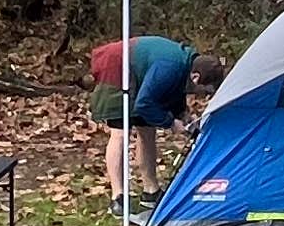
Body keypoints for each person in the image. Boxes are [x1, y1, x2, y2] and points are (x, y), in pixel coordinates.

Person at [87, 33, 215, 205]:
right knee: (120, 133)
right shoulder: (170, 66)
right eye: (204, 90)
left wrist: (182, 115)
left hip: (141, 76)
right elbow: (144, 103)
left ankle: (150, 191)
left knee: (147, 131)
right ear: (196, 77)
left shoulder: (185, 65)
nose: (203, 95)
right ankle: (118, 197)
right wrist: (170, 123)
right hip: (117, 67)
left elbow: (172, 88)